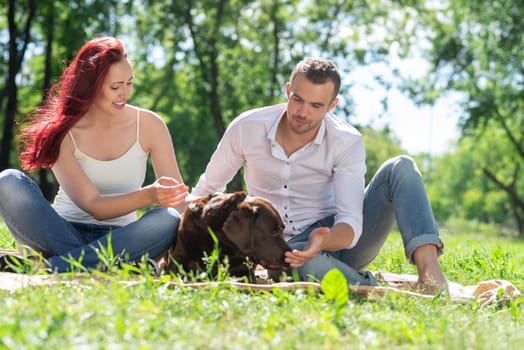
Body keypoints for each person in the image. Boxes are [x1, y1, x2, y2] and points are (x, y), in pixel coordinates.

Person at [190, 57, 447, 291]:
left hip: (336, 238)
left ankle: (431, 276)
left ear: (332, 105)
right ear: (288, 91)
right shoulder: (247, 128)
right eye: (298, 100)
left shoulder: (345, 140)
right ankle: (367, 285)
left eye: (316, 105)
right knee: (304, 267)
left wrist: (321, 242)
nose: (303, 113)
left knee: (400, 167)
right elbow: (206, 190)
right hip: (278, 247)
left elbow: (350, 223)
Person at [0, 36, 189, 273]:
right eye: (115, 87)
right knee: (8, 181)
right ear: (91, 87)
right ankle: (107, 264)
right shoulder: (63, 132)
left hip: (124, 237)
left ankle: (54, 265)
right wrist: (150, 195)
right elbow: (95, 206)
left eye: (129, 83)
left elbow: (178, 200)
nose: (125, 93)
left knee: (168, 217)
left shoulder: (150, 125)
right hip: (60, 232)